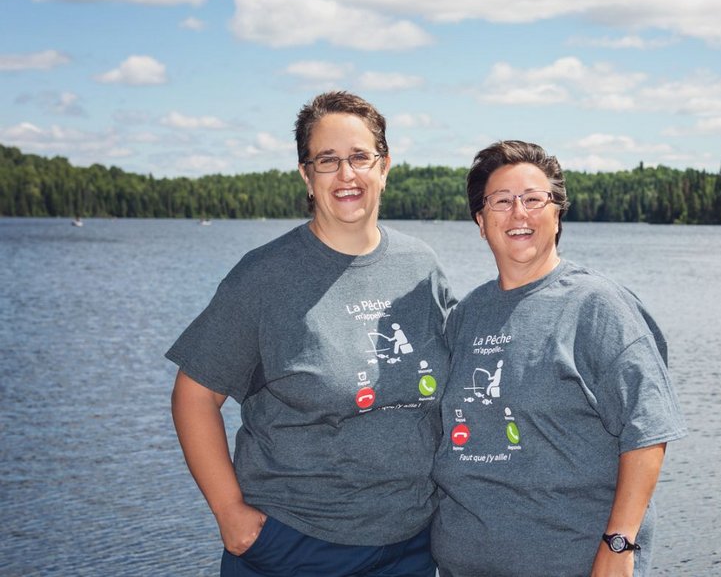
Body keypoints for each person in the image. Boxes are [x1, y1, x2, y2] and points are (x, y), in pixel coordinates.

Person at [167, 91, 454, 576]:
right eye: (328, 161)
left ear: (384, 166)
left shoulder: (420, 267)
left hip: (410, 544)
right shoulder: (264, 276)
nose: (347, 175)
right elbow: (193, 395)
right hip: (295, 545)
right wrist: (230, 514)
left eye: (360, 157)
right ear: (306, 174)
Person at [431, 140, 688, 577]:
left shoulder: (598, 306)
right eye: (501, 201)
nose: (519, 214)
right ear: (480, 220)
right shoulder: (466, 315)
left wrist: (619, 544)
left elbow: (647, 432)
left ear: (556, 214)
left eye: (534, 199)